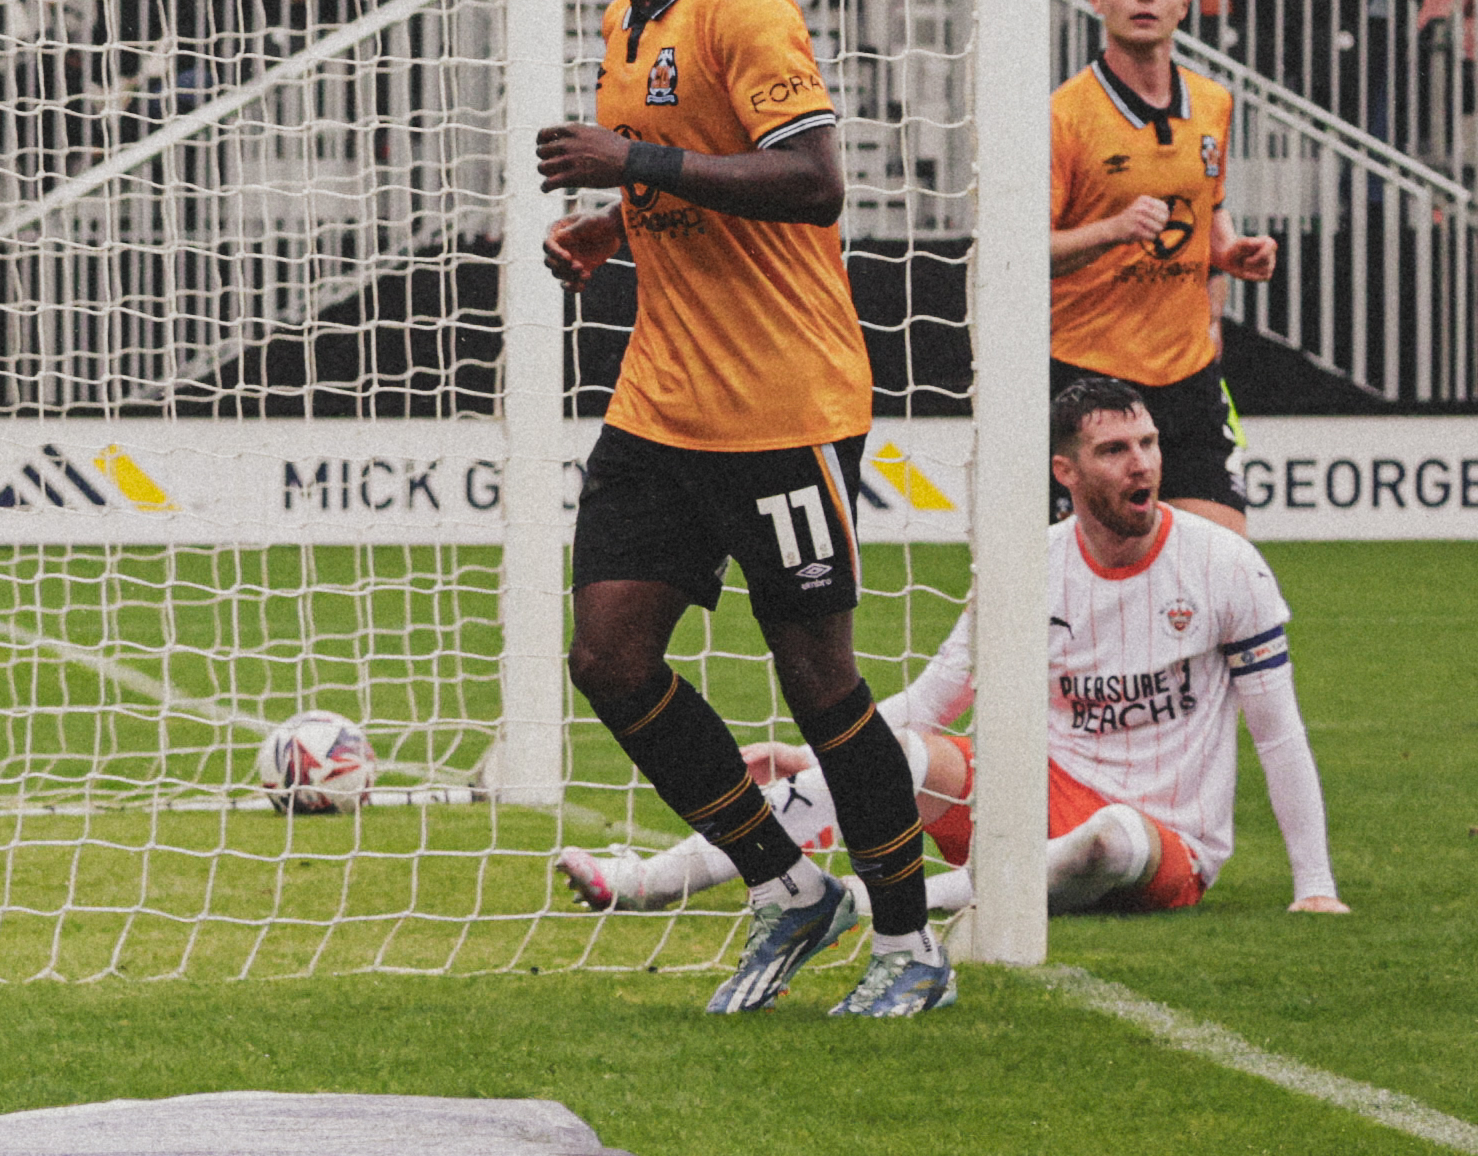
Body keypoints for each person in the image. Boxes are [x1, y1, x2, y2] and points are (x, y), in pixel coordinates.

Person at [534, 0, 949, 1019]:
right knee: (608, 657)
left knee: (819, 680)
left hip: (783, 401)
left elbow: (814, 180)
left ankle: (910, 943)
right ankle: (784, 886)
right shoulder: (631, 13)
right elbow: (692, 173)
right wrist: (621, 218)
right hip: (663, 399)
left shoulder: (746, 1)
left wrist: (634, 160)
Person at [559, 380, 1343, 921]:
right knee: (892, 750)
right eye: (1115, 450)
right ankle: (650, 882)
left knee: (1109, 839)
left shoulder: (1223, 563)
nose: (1142, 463)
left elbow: (1278, 730)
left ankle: (868, 907)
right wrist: (807, 755)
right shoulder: (1027, 566)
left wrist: (1315, 885)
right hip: (1046, 787)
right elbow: (934, 700)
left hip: (1169, 839)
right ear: (1065, 471)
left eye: (1147, 442)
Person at [1048, 0, 1277, 536]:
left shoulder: (1213, 102)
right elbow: (1022, 256)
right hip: (1085, 374)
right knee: (1104, 579)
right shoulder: (1063, 117)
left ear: (1184, 1)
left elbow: (1210, 206)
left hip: (1188, 377)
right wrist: (1112, 230)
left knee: (1225, 562)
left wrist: (1229, 252)